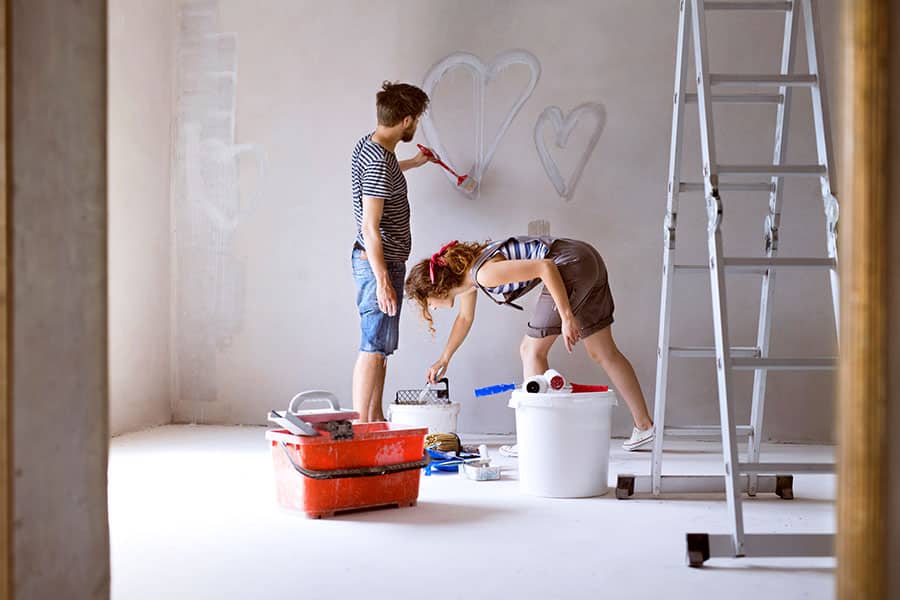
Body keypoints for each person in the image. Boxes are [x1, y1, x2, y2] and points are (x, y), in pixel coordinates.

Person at [404, 236, 655, 452]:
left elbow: (545, 267)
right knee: (604, 352)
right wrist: (445, 358)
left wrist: (567, 316)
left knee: (530, 350)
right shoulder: (471, 276)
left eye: (428, 303)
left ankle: (536, 438)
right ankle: (644, 426)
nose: (432, 308)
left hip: (569, 266)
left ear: (437, 290)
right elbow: (465, 318)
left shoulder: (484, 274)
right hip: (586, 259)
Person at [350, 81, 439, 422]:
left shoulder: (372, 148)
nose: (416, 125)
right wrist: (383, 279)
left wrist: (414, 162)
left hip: (384, 262)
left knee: (382, 349)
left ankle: (373, 422)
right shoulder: (378, 163)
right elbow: (369, 228)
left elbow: (381, 181)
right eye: (416, 119)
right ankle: (360, 428)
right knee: (372, 348)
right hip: (378, 263)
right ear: (406, 121)